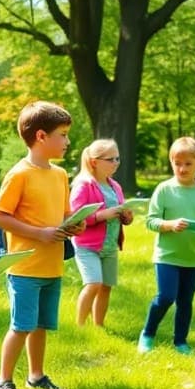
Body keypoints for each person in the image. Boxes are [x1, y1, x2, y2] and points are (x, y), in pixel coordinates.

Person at [0, 101, 84, 389]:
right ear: (41, 136)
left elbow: (65, 214)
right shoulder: (20, 174)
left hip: (52, 265)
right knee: (21, 326)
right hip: (25, 268)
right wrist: (40, 233)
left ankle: (36, 377)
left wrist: (74, 226)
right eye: (63, 134)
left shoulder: (59, 175)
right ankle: (3, 382)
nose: (68, 141)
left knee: (41, 325)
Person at [137, 137, 195, 355]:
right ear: (171, 162)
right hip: (167, 256)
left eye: (188, 164)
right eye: (177, 163)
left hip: (193, 257)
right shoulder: (164, 189)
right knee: (166, 297)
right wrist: (170, 225)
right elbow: (150, 221)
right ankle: (147, 334)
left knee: (185, 301)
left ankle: (180, 342)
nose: (182, 169)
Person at [69, 139, 133, 327]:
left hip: (110, 245)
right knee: (93, 284)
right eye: (110, 159)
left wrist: (126, 217)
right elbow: (75, 217)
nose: (116, 163)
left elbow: (120, 212)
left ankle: (98, 325)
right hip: (87, 246)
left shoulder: (115, 186)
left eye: (117, 159)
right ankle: (80, 326)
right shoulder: (84, 185)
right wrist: (101, 216)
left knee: (106, 287)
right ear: (95, 162)